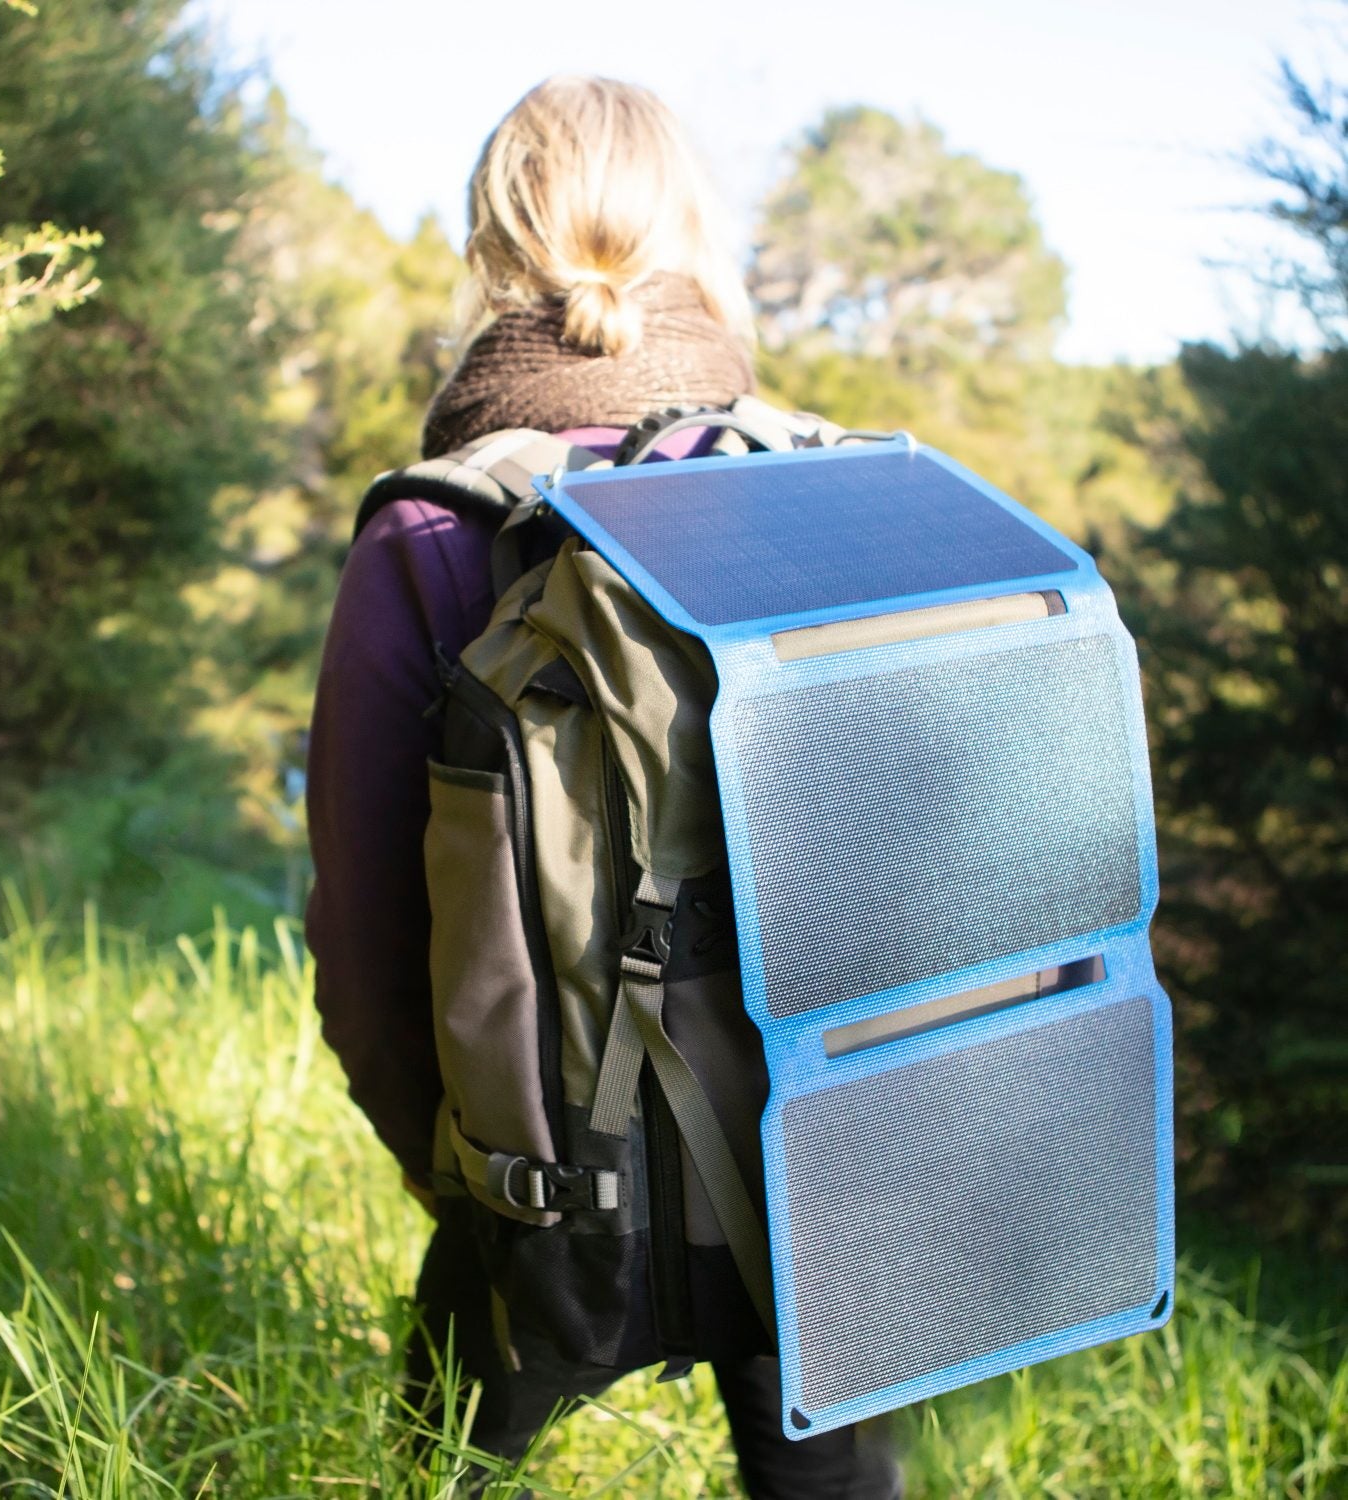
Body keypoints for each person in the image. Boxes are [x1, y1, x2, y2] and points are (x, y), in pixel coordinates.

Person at [305, 75, 902, 1498]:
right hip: (823, 1168)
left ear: (491, 248)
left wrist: (456, 1170)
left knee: (444, 1471)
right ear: (698, 235)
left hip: (540, 1189)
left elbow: (362, 945)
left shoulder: (431, 533)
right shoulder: (839, 491)